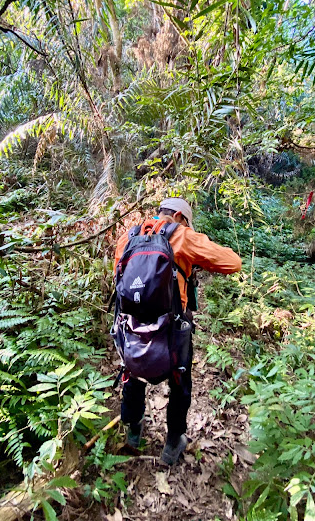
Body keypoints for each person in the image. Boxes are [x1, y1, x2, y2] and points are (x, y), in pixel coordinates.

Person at [113, 197, 242, 465]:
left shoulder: (129, 236)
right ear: (181, 218)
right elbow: (233, 263)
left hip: (132, 327)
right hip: (171, 327)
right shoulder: (182, 236)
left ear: (160, 212)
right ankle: (173, 443)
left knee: (132, 374)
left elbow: (119, 276)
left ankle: (134, 431)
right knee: (180, 381)